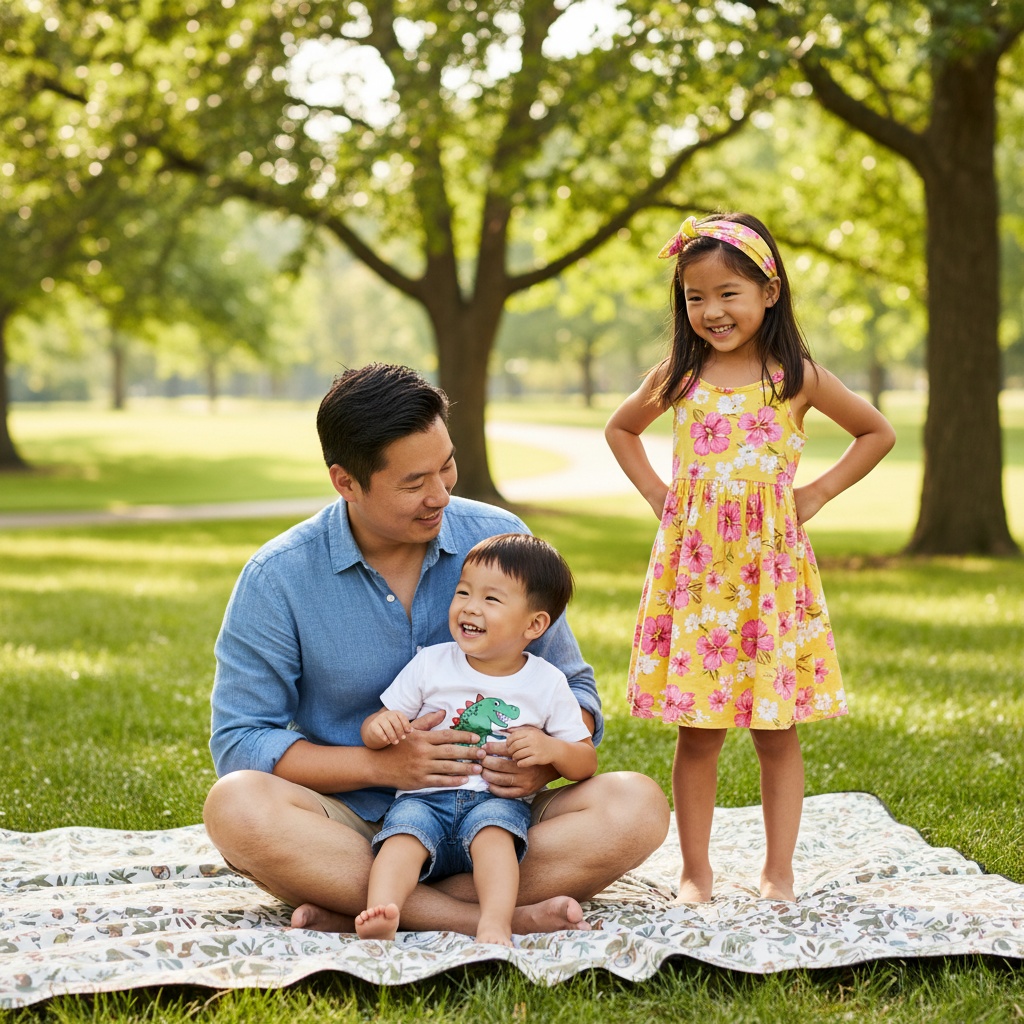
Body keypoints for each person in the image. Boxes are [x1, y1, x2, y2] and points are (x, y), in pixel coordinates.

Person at [204, 362, 669, 935]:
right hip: (351, 824)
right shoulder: (278, 577)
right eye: (413, 483)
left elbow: (575, 691)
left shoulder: (495, 538)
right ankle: (488, 916)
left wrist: (540, 763)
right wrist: (381, 764)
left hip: (501, 820)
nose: (441, 495)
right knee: (236, 806)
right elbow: (241, 739)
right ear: (346, 481)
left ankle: (362, 905)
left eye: (446, 467)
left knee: (637, 806)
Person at [605, 214, 895, 905]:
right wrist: (657, 493)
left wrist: (817, 492)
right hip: (699, 575)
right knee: (698, 733)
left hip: (770, 576)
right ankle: (695, 871)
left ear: (769, 290)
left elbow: (875, 432)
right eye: (695, 297)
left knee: (776, 729)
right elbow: (621, 428)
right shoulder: (679, 373)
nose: (711, 311)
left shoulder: (795, 377)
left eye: (728, 293)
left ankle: (778, 869)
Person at [356, 533, 597, 945]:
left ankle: (494, 922)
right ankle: (383, 914)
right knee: (399, 841)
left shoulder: (547, 682)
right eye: (463, 591)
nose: (469, 606)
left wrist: (553, 750)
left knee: (495, 842)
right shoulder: (431, 663)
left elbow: (585, 762)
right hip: (422, 799)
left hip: (494, 803)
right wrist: (381, 729)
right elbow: (379, 722)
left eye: (491, 599)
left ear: (534, 624)